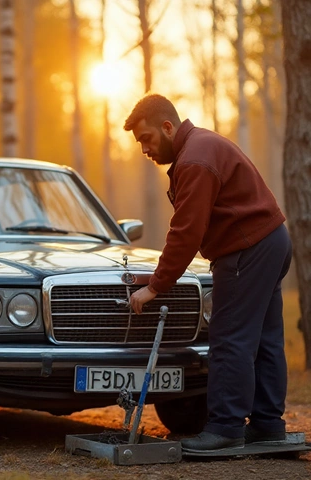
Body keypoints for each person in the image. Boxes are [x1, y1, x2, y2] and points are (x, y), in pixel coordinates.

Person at [123, 94, 292, 452]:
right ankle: (267, 425)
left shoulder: (195, 159)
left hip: (248, 249)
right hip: (271, 241)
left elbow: (186, 231)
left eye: (146, 139)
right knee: (263, 340)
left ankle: (225, 428)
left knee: (230, 339)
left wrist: (155, 286)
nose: (144, 149)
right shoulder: (201, 146)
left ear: (167, 127)